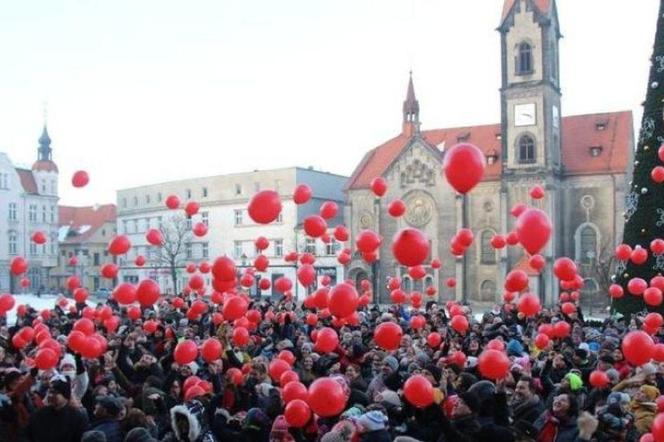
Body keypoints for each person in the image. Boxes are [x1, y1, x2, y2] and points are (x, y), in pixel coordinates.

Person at [26, 376, 89, 442]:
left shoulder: (77, 417)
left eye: (55, 393)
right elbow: (27, 433)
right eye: (50, 392)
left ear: (65, 396)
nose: (50, 395)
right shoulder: (39, 414)